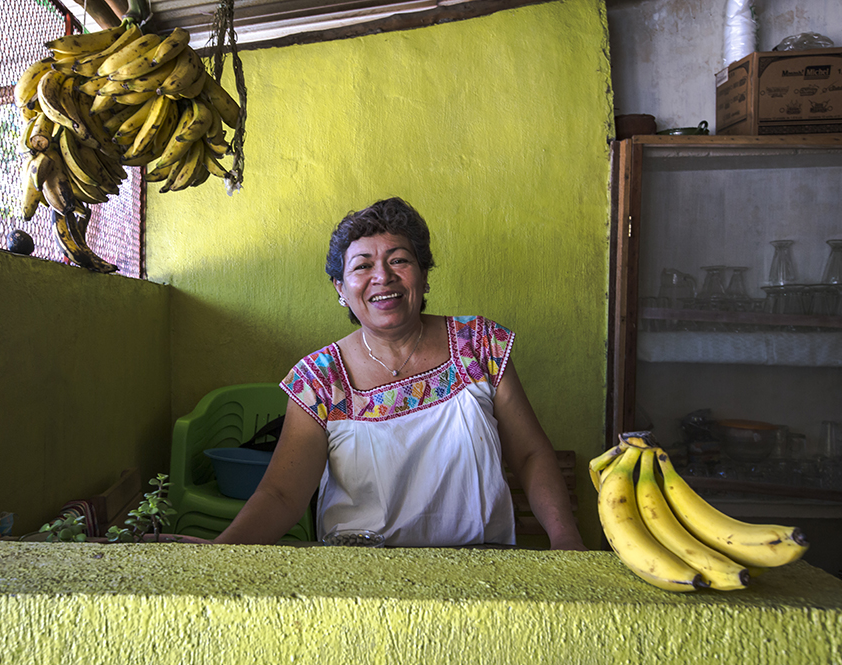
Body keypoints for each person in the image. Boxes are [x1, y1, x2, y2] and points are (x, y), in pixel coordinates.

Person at [214, 197, 585, 550]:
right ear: (341, 289)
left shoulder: (479, 344)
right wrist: (220, 552)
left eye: (399, 260)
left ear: (424, 276)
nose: (383, 277)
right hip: (361, 577)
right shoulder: (320, 379)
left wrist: (566, 540)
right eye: (362, 265)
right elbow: (282, 494)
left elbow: (531, 455)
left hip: (479, 567)